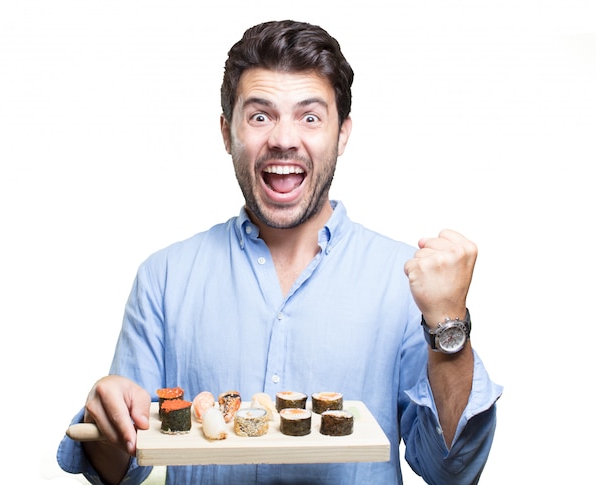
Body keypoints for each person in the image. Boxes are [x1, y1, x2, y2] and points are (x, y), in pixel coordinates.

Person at [57, 19, 502, 485]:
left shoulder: (405, 280)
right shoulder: (164, 277)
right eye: (260, 116)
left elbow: (452, 471)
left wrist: (448, 322)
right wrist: (107, 418)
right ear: (227, 132)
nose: (284, 139)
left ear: (343, 134)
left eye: (310, 117)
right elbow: (117, 469)